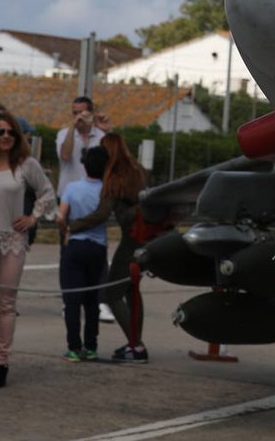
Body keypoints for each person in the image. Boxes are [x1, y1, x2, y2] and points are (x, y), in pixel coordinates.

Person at [0, 113, 56, 388]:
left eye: (10, 132)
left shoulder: (26, 165)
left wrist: (33, 218)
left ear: (18, 136)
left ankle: (1, 363)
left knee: (6, 304)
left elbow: (47, 192)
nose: (5, 136)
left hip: (13, 241)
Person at [66, 133, 152, 363]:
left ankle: (136, 346)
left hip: (131, 240)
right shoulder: (140, 170)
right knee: (132, 291)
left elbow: (102, 213)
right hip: (147, 238)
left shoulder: (115, 177)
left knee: (112, 293)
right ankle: (136, 343)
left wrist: (73, 225)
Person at [55, 96, 113, 322]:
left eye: (82, 112)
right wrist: (74, 128)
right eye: (74, 113)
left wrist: (106, 131)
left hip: (97, 197)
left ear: (92, 112)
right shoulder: (64, 134)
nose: (78, 117)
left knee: (98, 249)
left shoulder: (101, 136)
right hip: (69, 197)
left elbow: (114, 159)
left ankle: (100, 301)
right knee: (68, 252)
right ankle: (69, 300)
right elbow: (66, 155)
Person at [56, 146, 109, 362]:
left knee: (72, 300)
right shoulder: (107, 190)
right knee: (91, 300)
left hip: (74, 246)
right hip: (98, 247)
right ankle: (91, 346)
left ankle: (73, 347)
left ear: (84, 164)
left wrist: (65, 232)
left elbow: (61, 216)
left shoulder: (72, 188)